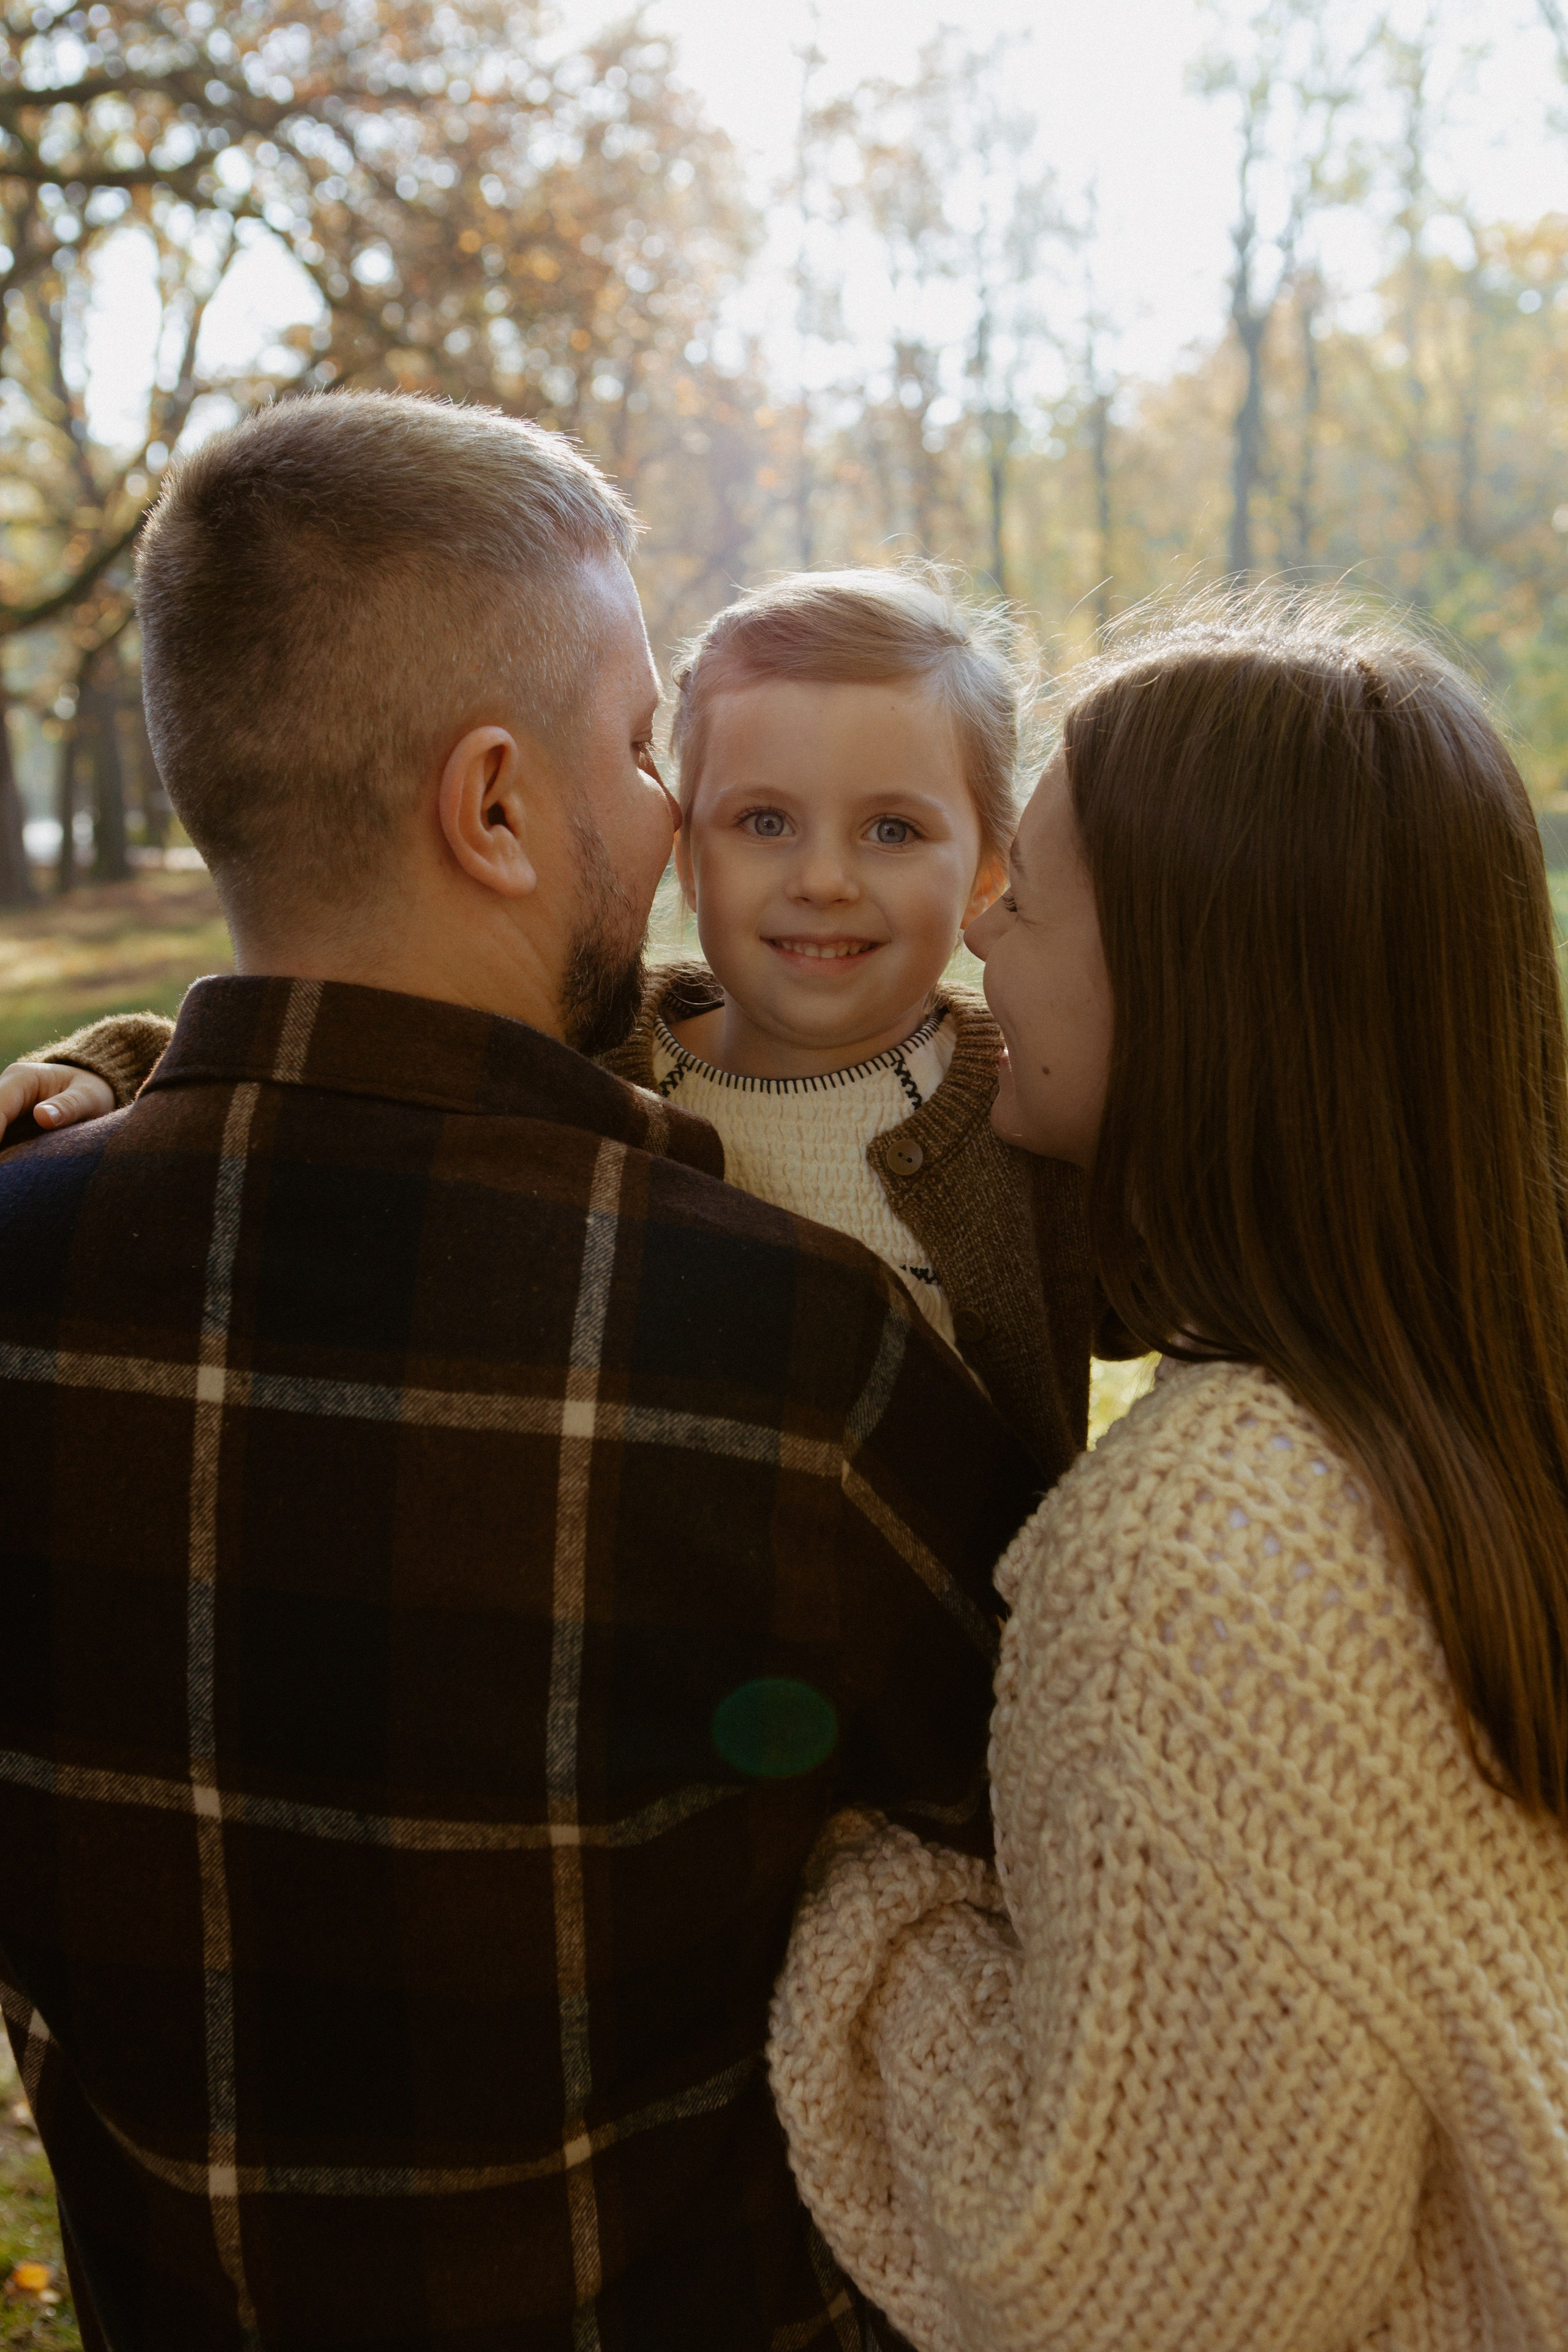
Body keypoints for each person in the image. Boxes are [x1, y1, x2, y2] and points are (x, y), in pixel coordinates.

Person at [0, 391, 1041, 2351]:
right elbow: (1048, 1832)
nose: (667, 818)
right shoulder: (782, 1355)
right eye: (643, 753)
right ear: (492, 807)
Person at [769, 594, 1568, 2352]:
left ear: (1189, 998)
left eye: (1027, 902)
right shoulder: (1485, 1404)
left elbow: (1109, 2302)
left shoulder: (1196, 1569)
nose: (978, 951)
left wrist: (861, 1901)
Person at [5, 570, 1098, 1489]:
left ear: (987, 870)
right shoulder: (604, 1044)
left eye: (893, 830)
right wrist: (106, 1067)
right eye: (763, 821)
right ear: (685, 848)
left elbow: (1193, 1252)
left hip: (943, 1650)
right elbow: (347, 1051)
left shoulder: (1025, 1101)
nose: (821, 879)